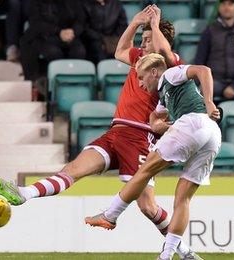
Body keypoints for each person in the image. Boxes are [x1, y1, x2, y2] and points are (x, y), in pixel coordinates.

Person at [0, 6, 201, 259]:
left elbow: (165, 53)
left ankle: (185, 253)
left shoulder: (172, 66)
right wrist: (135, 23)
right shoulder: (140, 59)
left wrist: (155, 27)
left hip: (139, 137)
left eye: (148, 40)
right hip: (116, 131)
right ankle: (24, 193)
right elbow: (119, 51)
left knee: (148, 207)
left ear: (163, 41)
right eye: (143, 40)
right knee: (72, 169)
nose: (143, 44)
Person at [84, 53, 221, 260]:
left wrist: (209, 102)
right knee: (182, 199)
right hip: (212, 135)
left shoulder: (171, 75)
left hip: (195, 122)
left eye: (141, 76)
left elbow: (204, 70)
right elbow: (156, 120)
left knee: (144, 171)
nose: (139, 83)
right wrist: (161, 124)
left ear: (154, 71)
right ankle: (167, 256)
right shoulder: (164, 96)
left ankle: (110, 215)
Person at [195, 0, 234, 102]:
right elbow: (200, 60)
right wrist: (205, 81)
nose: (227, 7)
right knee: (198, 99)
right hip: (214, 80)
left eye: (231, 4)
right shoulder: (209, 31)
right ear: (219, 8)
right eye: (223, 4)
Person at [19, 0, 86, 83]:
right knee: (53, 52)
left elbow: (80, 20)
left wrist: (73, 31)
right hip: (42, 36)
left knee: (79, 51)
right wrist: (59, 31)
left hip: (68, 35)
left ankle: (74, 83)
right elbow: (36, 23)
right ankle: (48, 83)